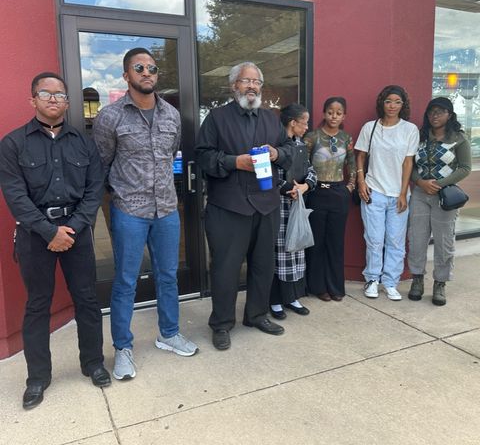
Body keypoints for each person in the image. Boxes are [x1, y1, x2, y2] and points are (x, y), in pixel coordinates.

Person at [0, 72, 110, 410]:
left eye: (60, 94)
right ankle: (38, 377)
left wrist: (72, 229)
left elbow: (94, 191)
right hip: (35, 235)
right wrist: (50, 232)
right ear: (32, 100)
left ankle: (92, 363)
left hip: (77, 230)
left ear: (67, 102)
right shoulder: (13, 144)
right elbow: (15, 197)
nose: (53, 99)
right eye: (45, 93)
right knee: (37, 305)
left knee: (87, 300)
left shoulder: (83, 142)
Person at [93, 48, 198, 381]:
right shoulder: (110, 117)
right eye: (139, 68)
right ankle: (123, 348)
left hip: (167, 209)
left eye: (152, 68)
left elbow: (170, 156)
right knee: (125, 282)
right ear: (126, 76)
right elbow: (101, 165)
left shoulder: (171, 116)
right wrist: (114, 201)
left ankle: (168, 333)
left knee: (167, 276)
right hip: (129, 211)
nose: (147, 72)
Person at [195, 62, 292, 350]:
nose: (251, 86)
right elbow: (203, 157)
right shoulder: (216, 118)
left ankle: (257, 315)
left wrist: (277, 153)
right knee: (225, 269)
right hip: (229, 207)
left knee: (263, 265)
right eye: (245, 80)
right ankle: (222, 324)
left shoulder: (271, 119)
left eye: (256, 82)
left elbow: (289, 151)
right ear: (233, 86)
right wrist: (233, 162)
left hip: (266, 205)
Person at [355, 85, 419, 301]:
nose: (392, 106)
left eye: (397, 102)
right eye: (389, 101)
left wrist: (403, 193)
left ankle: (390, 281)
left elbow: (408, 162)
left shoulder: (409, 130)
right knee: (374, 239)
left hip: (398, 194)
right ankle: (372, 279)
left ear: (403, 105)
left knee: (396, 241)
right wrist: (361, 181)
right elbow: (360, 156)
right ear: (382, 103)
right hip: (374, 192)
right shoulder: (370, 127)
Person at [407, 97, 471, 306]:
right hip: (419, 194)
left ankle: (440, 283)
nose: (435, 116)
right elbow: (409, 163)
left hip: (445, 197)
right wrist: (420, 182)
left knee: (444, 242)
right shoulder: (419, 136)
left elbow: (465, 167)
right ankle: (417, 279)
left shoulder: (459, 138)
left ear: (449, 115)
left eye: (440, 112)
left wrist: (439, 184)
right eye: (431, 112)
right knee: (416, 239)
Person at [304, 97, 356, 301]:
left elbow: (352, 163)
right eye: (330, 112)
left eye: (339, 112)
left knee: (336, 243)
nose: (334, 116)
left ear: (344, 115)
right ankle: (318, 287)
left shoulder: (346, 138)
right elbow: (303, 164)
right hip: (317, 193)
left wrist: (350, 186)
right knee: (317, 243)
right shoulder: (312, 137)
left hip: (338, 194)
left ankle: (336, 287)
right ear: (324, 113)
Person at [270, 104, 317, 320]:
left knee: (296, 249)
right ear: (292, 123)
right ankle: (275, 300)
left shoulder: (300, 145)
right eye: (304, 122)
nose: (307, 127)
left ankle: (293, 296)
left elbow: (310, 170)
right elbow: (269, 175)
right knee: (279, 251)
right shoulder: (275, 144)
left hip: (297, 203)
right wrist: (287, 188)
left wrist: (306, 186)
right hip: (278, 206)